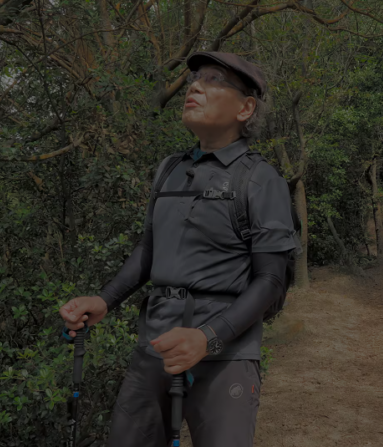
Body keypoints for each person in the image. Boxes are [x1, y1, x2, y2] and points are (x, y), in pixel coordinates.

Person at [58, 51, 297, 447]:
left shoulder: (260, 179)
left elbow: (270, 281)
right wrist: (104, 300)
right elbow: (150, 249)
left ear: (245, 108)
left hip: (225, 355)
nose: (195, 86)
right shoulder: (169, 169)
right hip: (155, 345)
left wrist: (207, 338)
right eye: (195, 78)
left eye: (214, 79)